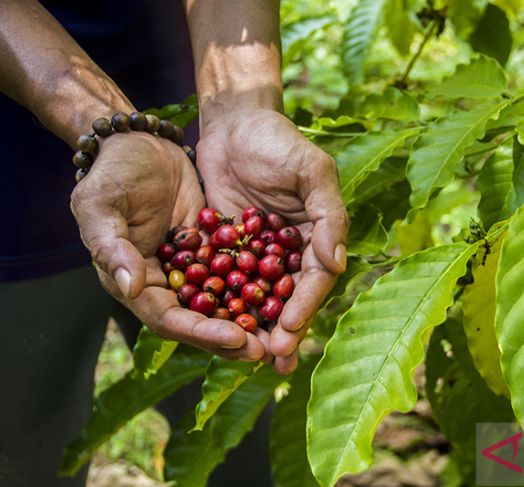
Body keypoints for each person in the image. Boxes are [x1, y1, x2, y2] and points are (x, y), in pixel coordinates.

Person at [0, 1, 348, 485]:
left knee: (234, 430)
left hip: (191, 115)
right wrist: (106, 125)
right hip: (13, 171)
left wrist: (243, 108)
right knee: (28, 435)